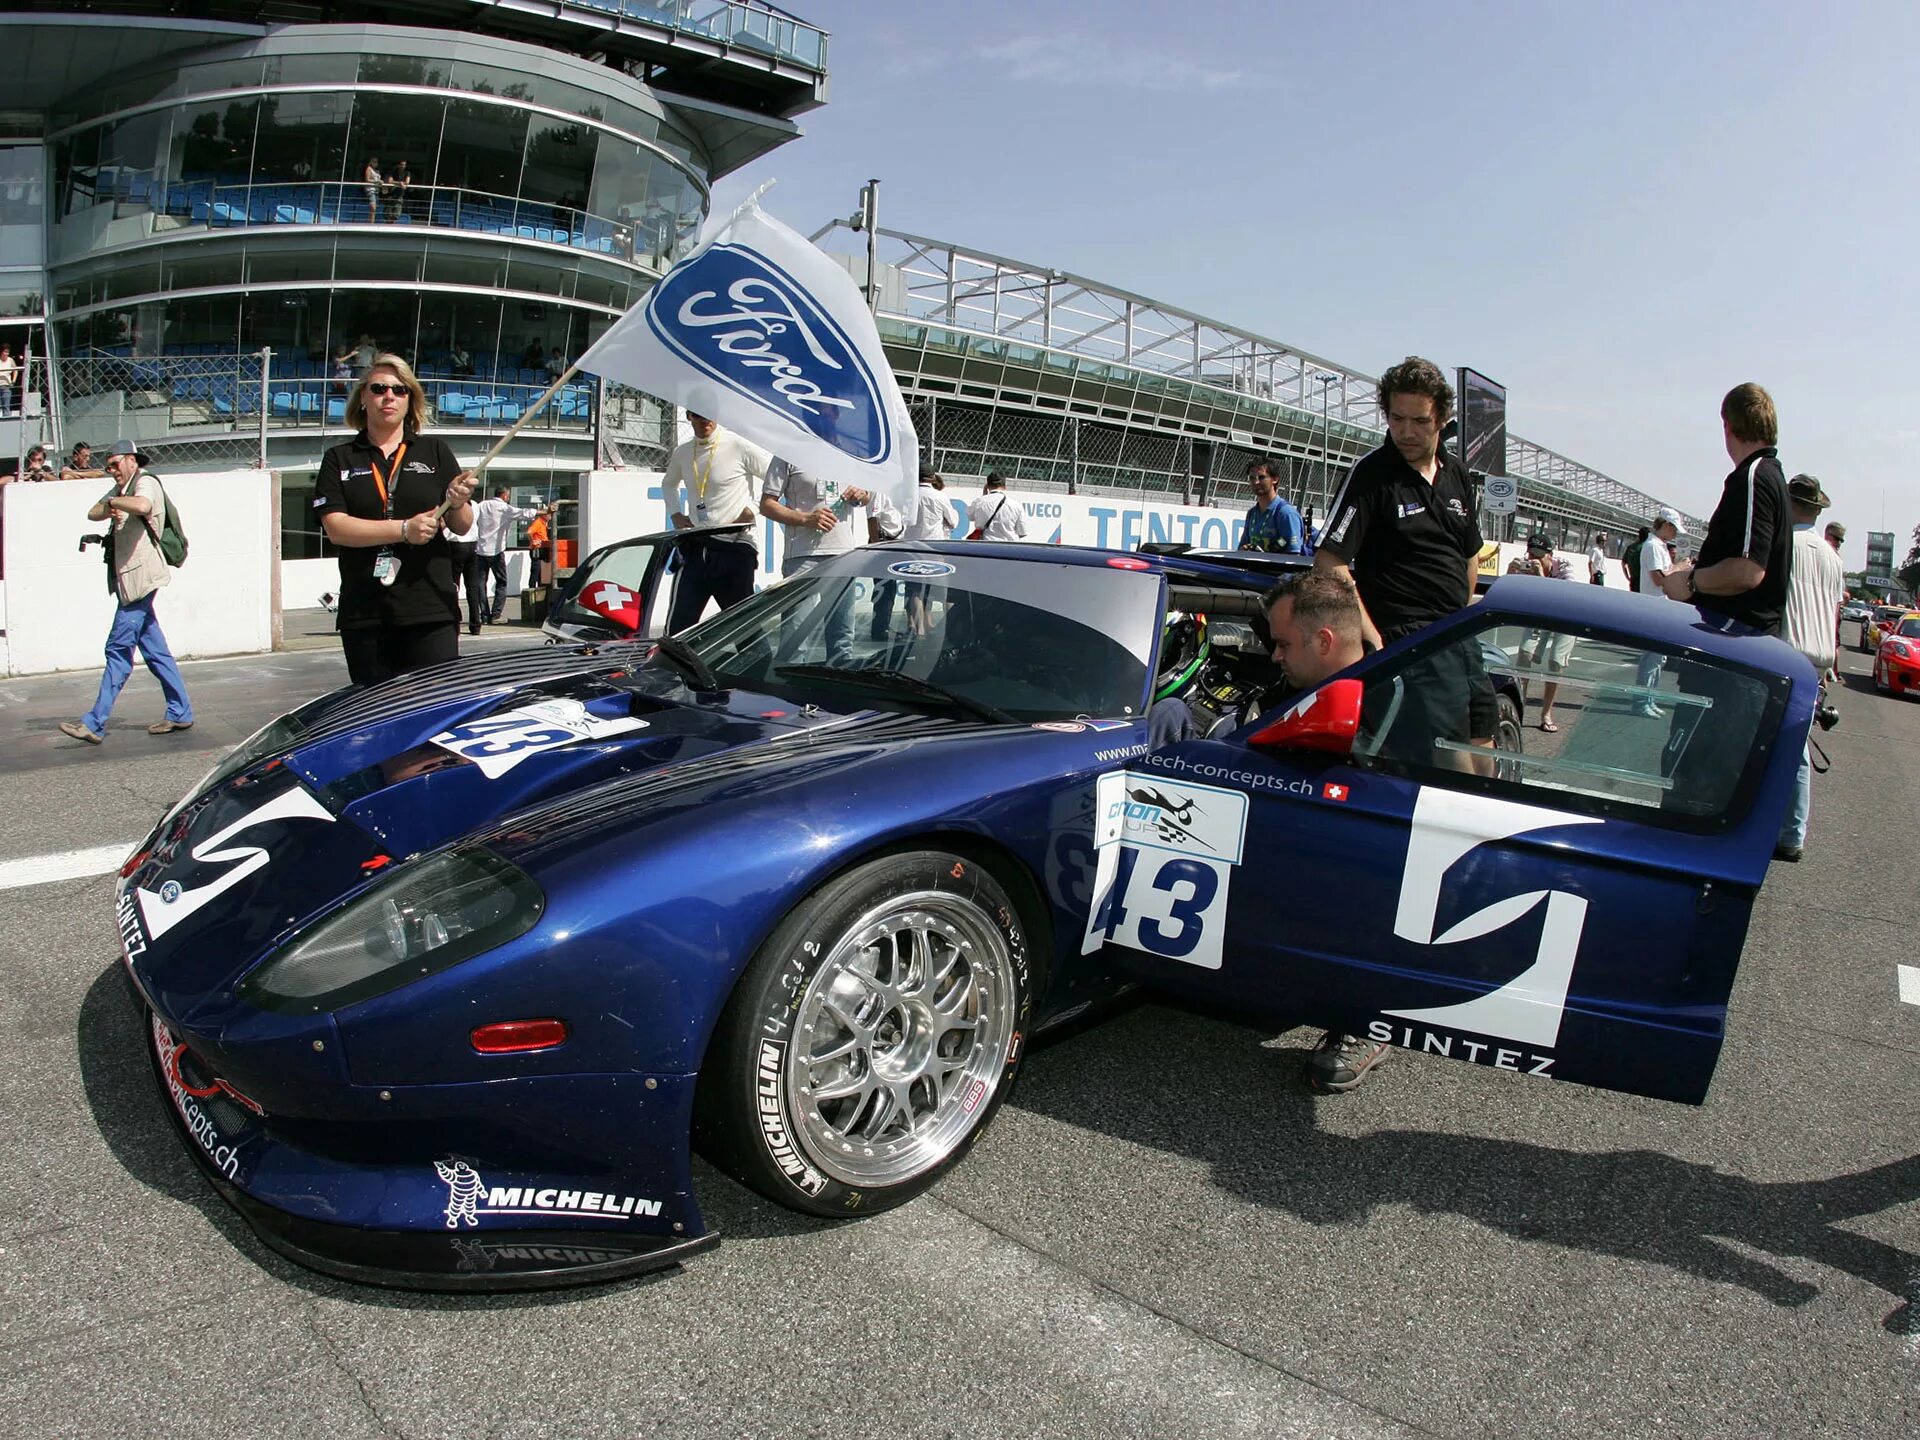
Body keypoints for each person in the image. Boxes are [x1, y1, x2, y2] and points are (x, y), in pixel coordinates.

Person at [1314, 355, 1494, 760]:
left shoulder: (1457, 474)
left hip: (1458, 638)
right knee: (1451, 760)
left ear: (1443, 419)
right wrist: (1370, 634)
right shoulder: (1372, 475)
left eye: (1420, 421)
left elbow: (1469, 555)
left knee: (1485, 747)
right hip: (1408, 643)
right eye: (1397, 420)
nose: (1406, 432)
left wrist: (1462, 617)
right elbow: (1330, 560)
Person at [1260, 571, 1382, 1093]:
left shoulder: (1386, 708)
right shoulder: (1291, 692)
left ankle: (1365, 1022)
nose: (1275, 656)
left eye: (1284, 644)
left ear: (1325, 641)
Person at [313, 354, 475, 685]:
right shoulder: (339, 458)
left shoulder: (435, 451)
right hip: (366, 613)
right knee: (377, 721)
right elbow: (336, 528)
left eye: (400, 390)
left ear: (410, 399)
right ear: (363, 398)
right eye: (379, 388)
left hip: (430, 609)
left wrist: (457, 502)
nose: (390, 396)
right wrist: (404, 530)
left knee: (435, 714)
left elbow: (463, 525)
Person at [58, 440, 195, 744]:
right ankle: (180, 711)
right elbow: (92, 512)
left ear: (131, 460)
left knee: (118, 650)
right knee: (155, 651)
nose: (111, 471)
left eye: (115, 464)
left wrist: (118, 504)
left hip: (140, 581)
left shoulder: (145, 483)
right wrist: (113, 504)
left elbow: (143, 506)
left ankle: (94, 723)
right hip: (131, 581)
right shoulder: (121, 488)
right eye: (107, 466)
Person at [1660, 383, 1791, 635]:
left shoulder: (1754, 478)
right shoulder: (1771, 475)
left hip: (1733, 637)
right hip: (1746, 638)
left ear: (1728, 425)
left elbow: (1748, 570)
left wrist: (1689, 581)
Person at [1776, 474, 1845, 862]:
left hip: (1786, 649)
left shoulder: (1785, 544)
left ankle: (1778, 828)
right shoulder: (1833, 558)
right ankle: (1793, 831)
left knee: (1775, 744)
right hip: (1819, 657)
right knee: (1799, 744)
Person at [663, 411, 770, 633]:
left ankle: (756, 666)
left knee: (745, 630)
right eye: (699, 415)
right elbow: (668, 484)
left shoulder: (738, 445)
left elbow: (773, 476)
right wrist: (675, 513)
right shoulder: (683, 452)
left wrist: (752, 509)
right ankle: (677, 667)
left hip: (735, 546)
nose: (706, 420)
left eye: (710, 414)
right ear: (689, 416)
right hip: (696, 546)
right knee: (678, 629)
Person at [761, 457, 871, 665]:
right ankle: (789, 693)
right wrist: (805, 519)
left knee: (842, 639)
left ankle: (838, 688)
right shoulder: (787, 452)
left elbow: (867, 496)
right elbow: (767, 505)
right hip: (802, 556)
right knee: (794, 638)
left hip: (842, 554)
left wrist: (861, 494)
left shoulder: (848, 452)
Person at [1509, 533, 1575, 731]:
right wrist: (1510, 575)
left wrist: (1542, 578)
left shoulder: (1565, 567)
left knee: (1555, 662)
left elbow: (1565, 598)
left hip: (1566, 616)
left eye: (1539, 555)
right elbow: (1511, 597)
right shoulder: (1525, 567)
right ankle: (1519, 709)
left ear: (1550, 555)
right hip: (1540, 615)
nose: (1534, 560)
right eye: (1531, 555)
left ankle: (1546, 713)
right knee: (1524, 654)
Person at [1632, 506, 1686, 715]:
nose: (1675, 534)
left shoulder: (1659, 546)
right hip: (1654, 607)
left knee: (1657, 659)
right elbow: (1659, 579)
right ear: (1664, 525)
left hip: (1660, 607)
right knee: (1650, 658)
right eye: (1673, 529)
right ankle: (1641, 701)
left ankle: (1649, 698)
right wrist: (1679, 568)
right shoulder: (1653, 546)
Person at [472, 486, 541, 623]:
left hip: (480, 550)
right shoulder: (505, 509)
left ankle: (484, 614)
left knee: (480, 583)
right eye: (508, 496)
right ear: (504, 496)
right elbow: (524, 513)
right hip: (497, 551)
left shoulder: (482, 505)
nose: (508, 499)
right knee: (501, 582)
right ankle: (496, 614)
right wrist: (544, 510)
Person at [904, 467, 958, 636]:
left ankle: (919, 629)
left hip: (912, 547)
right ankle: (944, 627)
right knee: (939, 590)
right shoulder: (940, 496)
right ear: (933, 477)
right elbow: (954, 521)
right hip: (935, 547)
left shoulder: (909, 495)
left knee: (915, 590)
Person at [1240, 457, 1306, 554]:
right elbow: (1241, 549)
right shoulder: (1252, 513)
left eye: (1261, 477)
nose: (1256, 482)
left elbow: (1293, 557)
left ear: (1275, 479)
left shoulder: (1286, 513)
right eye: (1252, 478)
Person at [443, 505, 484, 637]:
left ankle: (455, 622)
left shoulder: (451, 504)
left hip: (455, 544)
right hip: (472, 544)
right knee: (472, 587)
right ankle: (475, 624)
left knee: (454, 585)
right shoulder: (475, 505)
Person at [966, 472, 1028, 541]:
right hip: (1008, 547)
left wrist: (984, 496)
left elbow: (970, 517)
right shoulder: (1016, 505)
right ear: (1004, 486)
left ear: (987, 486)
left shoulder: (978, 502)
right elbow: (1022, 532)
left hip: (984, 546)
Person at [362, 157, 383, 222]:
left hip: (377, 190)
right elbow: (367, 179)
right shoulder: (369, 169)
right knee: (373, 208)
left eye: (376, 161)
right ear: (371, 162)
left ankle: (372, 221)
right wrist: (377, 181)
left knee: (374, 208)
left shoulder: (377, 171)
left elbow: (378, 180)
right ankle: (371, 223)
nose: (375, 163)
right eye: (374, 161)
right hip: (370, 190)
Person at [0, 343, 16, 416]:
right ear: (1, 352)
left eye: (8, 352)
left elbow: (15, 370)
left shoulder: (10, 360)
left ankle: (6, 419)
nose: (7, 353)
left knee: (6, 406)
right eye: (5, 351)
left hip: (6, 386)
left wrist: (13, 381)